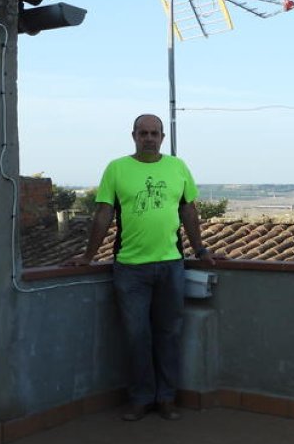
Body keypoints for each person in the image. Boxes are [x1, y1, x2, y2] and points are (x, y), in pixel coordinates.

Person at [67, 114, 216, 421]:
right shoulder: (117, 168)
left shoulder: (178, 167)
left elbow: (189, 211)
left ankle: (166, 398)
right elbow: (103, 214)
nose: (149, 138)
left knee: (168, 334)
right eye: (143, 133)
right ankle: (141, 397)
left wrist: (200, 248)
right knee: (137, 336)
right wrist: (89, 255)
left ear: (163, 137)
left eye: (154, 133)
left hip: (171, 264)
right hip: (130, 268)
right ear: (133, 136)